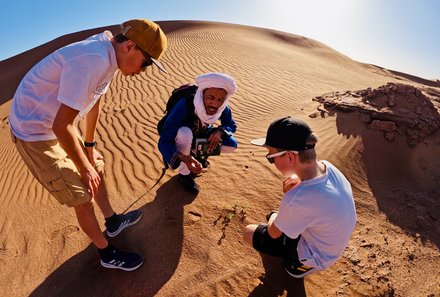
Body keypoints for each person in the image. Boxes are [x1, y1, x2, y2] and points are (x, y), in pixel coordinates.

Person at [9, 19, 168, 271]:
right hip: (34, 131)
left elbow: (94, 101)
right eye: (147, 62)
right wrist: (84, 167)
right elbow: (62, 126)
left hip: (57, 122)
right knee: (81, 194)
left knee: (97, 165)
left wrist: (90, 147)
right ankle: (106, 252)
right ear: (130, 47)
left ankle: (112, 221)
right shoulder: (92, 58)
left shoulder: (109, 56)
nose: (144, 69)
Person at [244, 116, 356, 278]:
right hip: (330, 243)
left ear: (290, 157)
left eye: (271, 157)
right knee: (279, 218)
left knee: (250, 231)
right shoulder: (330, 168)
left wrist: (277, 214)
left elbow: (274, 233)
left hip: (316, 257)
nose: (272, 162)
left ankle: (298, 267)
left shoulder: (298, 198)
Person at [158, 72, 238, 194]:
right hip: (180, 138)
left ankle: (199, 154)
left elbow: (231, 125)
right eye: (211, 97)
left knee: (230, 144)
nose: (215, 104)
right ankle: (184, 174)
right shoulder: (185, 104)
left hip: (199, 134)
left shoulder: (223, 108)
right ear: (202, 93)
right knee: (184, 133)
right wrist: (183, 157)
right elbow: (165, 139)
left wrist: (220, 131)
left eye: (221, 99)